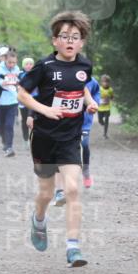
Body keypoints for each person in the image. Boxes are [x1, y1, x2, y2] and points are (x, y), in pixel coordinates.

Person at [18, 10, 98, 267]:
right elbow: (21, 93)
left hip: (69, 137)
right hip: (43, 136)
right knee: (46, 193)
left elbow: (81, 85)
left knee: (73, 189)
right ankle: (38, 220)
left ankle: (73, 247)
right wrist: (44, 110)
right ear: (55, 41)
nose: (70, 41)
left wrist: (89, 101)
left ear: (82, 42)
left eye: (75, 37)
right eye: (64, 36)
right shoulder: (44, 67)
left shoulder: (85, 65)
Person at [49, 75, 101, 204]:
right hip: (63, 122)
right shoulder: (60, 77)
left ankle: (86, 170)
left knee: (85, 144)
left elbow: (95, 97)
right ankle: (60, 191)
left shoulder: (92, 82)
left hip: (84, 122)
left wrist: (94, 105)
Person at [0, 49, 23, 157]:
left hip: (12, 101)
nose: (12, 65)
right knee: (0, 123)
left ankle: (9, 147)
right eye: (9, 62)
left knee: (9, 125)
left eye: (14, 63)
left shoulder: (16, 69)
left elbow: (18, 81)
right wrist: (0, 82)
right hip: (0, 101)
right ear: (5, 60)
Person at [18, 57, 36, 147]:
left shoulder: (37, 73)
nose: (29, 66)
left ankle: (33, 138)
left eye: (30, 64)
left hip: (33, 100)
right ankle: (25, 139)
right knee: (24, 121)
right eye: (26, 64)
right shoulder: (20, 74)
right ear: (23, 65)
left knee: (32, 119)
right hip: (23, 101)